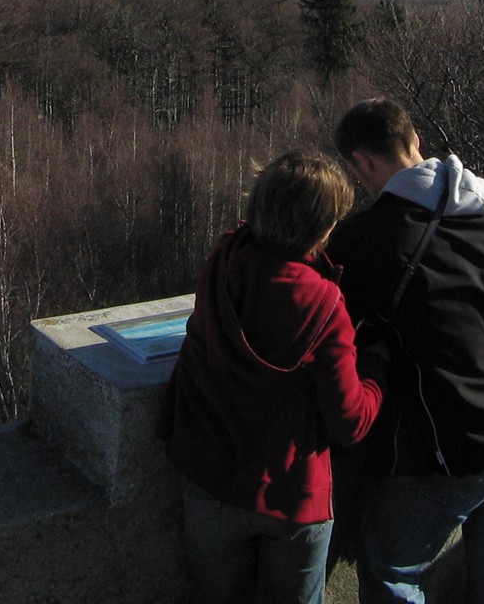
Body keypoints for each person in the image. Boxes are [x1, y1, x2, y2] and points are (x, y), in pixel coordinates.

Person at [326, 98, 484, 604]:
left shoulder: (365, 242)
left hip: (453, 444)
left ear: (361, 163)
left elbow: (341, 332)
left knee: (391, 568)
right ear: (415, 142)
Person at [161, 148, 385, 604]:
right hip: (291, 495)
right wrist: (379, 371)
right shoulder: (324, 304)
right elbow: (348, 422)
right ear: (321, 228)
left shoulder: (223, 261)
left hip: (209, 477)